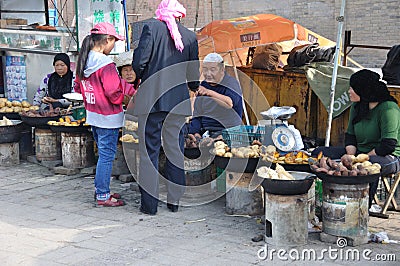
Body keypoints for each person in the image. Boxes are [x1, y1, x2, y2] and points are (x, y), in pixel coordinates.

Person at [132, 0, 200, 215]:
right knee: (174, 150)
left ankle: (149, 206)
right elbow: (193, 72)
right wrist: (193, 87)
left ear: (161, 13)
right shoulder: (189, 36)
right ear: (180, 16)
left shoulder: (151, 27)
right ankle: (174, 202)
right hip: (178, 103)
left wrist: (144, 77)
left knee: (149, 152)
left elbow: (139, 62)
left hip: (152, 100)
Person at [312, 69, 400, 208]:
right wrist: (350, 156)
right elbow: (351, 137)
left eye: (352, 88)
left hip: (388, 156)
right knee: (319, 152)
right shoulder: (357, 106)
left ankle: (363, 206)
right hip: (359, 152)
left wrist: (360, 159)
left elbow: (387, 145)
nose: (349, 91)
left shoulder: (389, 109)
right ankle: (327, 199)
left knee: (368, 166)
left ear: (363, 90)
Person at [74, 22, 136, 207]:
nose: (113, 46)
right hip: (108, 118)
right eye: (113, 42)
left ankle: (101, 188)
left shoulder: (84, 60)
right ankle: (102, 195)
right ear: (107, 39)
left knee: (102, 155)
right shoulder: (105, 63)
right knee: (107, 156)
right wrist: (128, 101)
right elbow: (113, 93)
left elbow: (78, 87)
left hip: (93, 115)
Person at [187, 52, 243, 144]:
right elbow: (197, 114)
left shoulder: (231, 83)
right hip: (205, 131)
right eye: (205, 69)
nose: (208, 74)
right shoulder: (204, 85)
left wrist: (209, 93)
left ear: (222, 70)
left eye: (213, 70)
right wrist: (196, 133)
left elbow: (229, 103)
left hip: (227, 132)